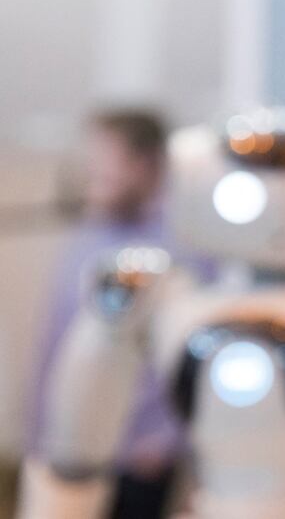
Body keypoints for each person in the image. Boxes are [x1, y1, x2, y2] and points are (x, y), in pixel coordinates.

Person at [27, 109, 196, 519]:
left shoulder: (183, 243)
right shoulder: (87, 238)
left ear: (144, 164)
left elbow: (188, 354)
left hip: (140, 455)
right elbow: (55, 339)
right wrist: (38, 434)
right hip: (66, 447)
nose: (93, 177)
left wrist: (165, 438)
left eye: (104, 166)